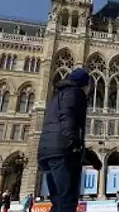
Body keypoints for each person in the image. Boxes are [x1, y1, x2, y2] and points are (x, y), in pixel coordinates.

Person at [37, 68, 92, 212]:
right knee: (67, 200)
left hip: (47, 152)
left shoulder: (58, 96)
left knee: (59, 201)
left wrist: (85, 153)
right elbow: (68, 118)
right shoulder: (74, 93)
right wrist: (74, 145)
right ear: (84, 84)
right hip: (62, 153)